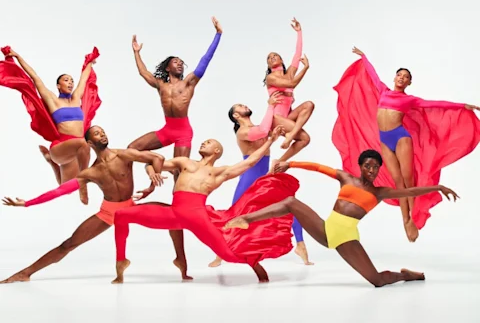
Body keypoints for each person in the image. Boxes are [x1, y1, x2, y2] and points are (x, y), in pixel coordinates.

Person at [224, 150, 460, 288]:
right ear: (360, 166)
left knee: (377, 281)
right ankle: (247, 218)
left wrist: (437, 187)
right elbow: (318, 167)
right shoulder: (346, 178)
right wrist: (290, 163)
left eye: (376, 167)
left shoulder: (379, 193)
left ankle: (407, 275)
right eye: (368, 165)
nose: (372, 170)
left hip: (346, 236)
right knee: (290, 203)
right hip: (327, 230)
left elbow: (409, 192)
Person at [111, 125, 301, 284]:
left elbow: (251, 161)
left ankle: (254, 263)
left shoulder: (219, 172)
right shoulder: (184, 162)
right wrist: (151, 171)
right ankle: (121, 262)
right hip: (174, 214)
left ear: (216, 151)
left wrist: (271, 140)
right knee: (121, 215)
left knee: (227, 255)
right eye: (204, 141)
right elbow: (153, 162)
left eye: (209, 142)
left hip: (197, 217)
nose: (204, 142)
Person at [1, 125, 189, 283]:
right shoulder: (91, 172)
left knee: (174, 215)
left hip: (130, 207)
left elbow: (157, 158)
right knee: (68, 244)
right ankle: (26, 273)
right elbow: (59, 191)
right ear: (90, 143)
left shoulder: (124, 155)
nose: (103, 134)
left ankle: (180, 259)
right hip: (108, 213)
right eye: (97, 133)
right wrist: (27, 203)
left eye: (103, 131)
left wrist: (151, 184)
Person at [332, 47, 480, 241]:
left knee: (408, 179)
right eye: (399, 75)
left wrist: (462, 106)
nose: (401, 78)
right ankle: (405, 220)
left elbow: (435, 104)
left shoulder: (410, 100)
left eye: (406, 77)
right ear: (395, 78)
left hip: (401, 137)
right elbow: (373, 76)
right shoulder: (384, 91)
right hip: (384, 140)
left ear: (409, 83)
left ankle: (413, 218)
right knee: (397, 182)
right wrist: (364, 57)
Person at [207, 95, 312, 268]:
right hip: (249, 177)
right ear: (236, 116)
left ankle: (301, 246)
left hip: (266, 175)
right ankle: (220, 253)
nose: (244, 104)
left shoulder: (259, 127)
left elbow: (271, 134)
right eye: (239, 106)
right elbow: (263, 132)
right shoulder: (243, 132)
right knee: (235, 213)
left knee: (290, 207)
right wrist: (270, 107)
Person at [127, 17, 222, 175]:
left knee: (178, 172)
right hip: (167, 130)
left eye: (181, 63)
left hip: (183, 132)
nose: (179, 64)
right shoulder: (160, 85)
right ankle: (155, 161)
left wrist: (218, 34)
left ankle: (178, 196)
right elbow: (143, 72)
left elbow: (206, 59)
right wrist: (136, 53)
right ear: (167, 68)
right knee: (132, 149)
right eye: (175, 62)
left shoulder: (188, 83)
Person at [0, 46, 101, 184]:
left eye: (71, 80)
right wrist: (18, 57)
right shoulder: (53, 101)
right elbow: (35, 78)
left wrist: (90, 61)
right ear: (58, 86)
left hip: (76, 149)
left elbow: (84, 78)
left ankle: (51, 162)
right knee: (85, 143)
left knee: (65, 185)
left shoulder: (76, 98)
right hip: (61, 147)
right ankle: (85, 178)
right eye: (66, 80)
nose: (70, 82)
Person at [263, 18, 314, 164]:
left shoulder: (289, 72)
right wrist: (305, 69)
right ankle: (291, 135)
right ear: (268, 65)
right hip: (276, 119)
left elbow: (297, 54)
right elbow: (292, 83)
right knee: (304, 137)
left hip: (287, 118)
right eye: (269, 58)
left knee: (309, 105)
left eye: (275, 55)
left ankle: (279, 161)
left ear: (281, 60)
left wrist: (299, 32)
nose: (272, 57)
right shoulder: (270, 78)